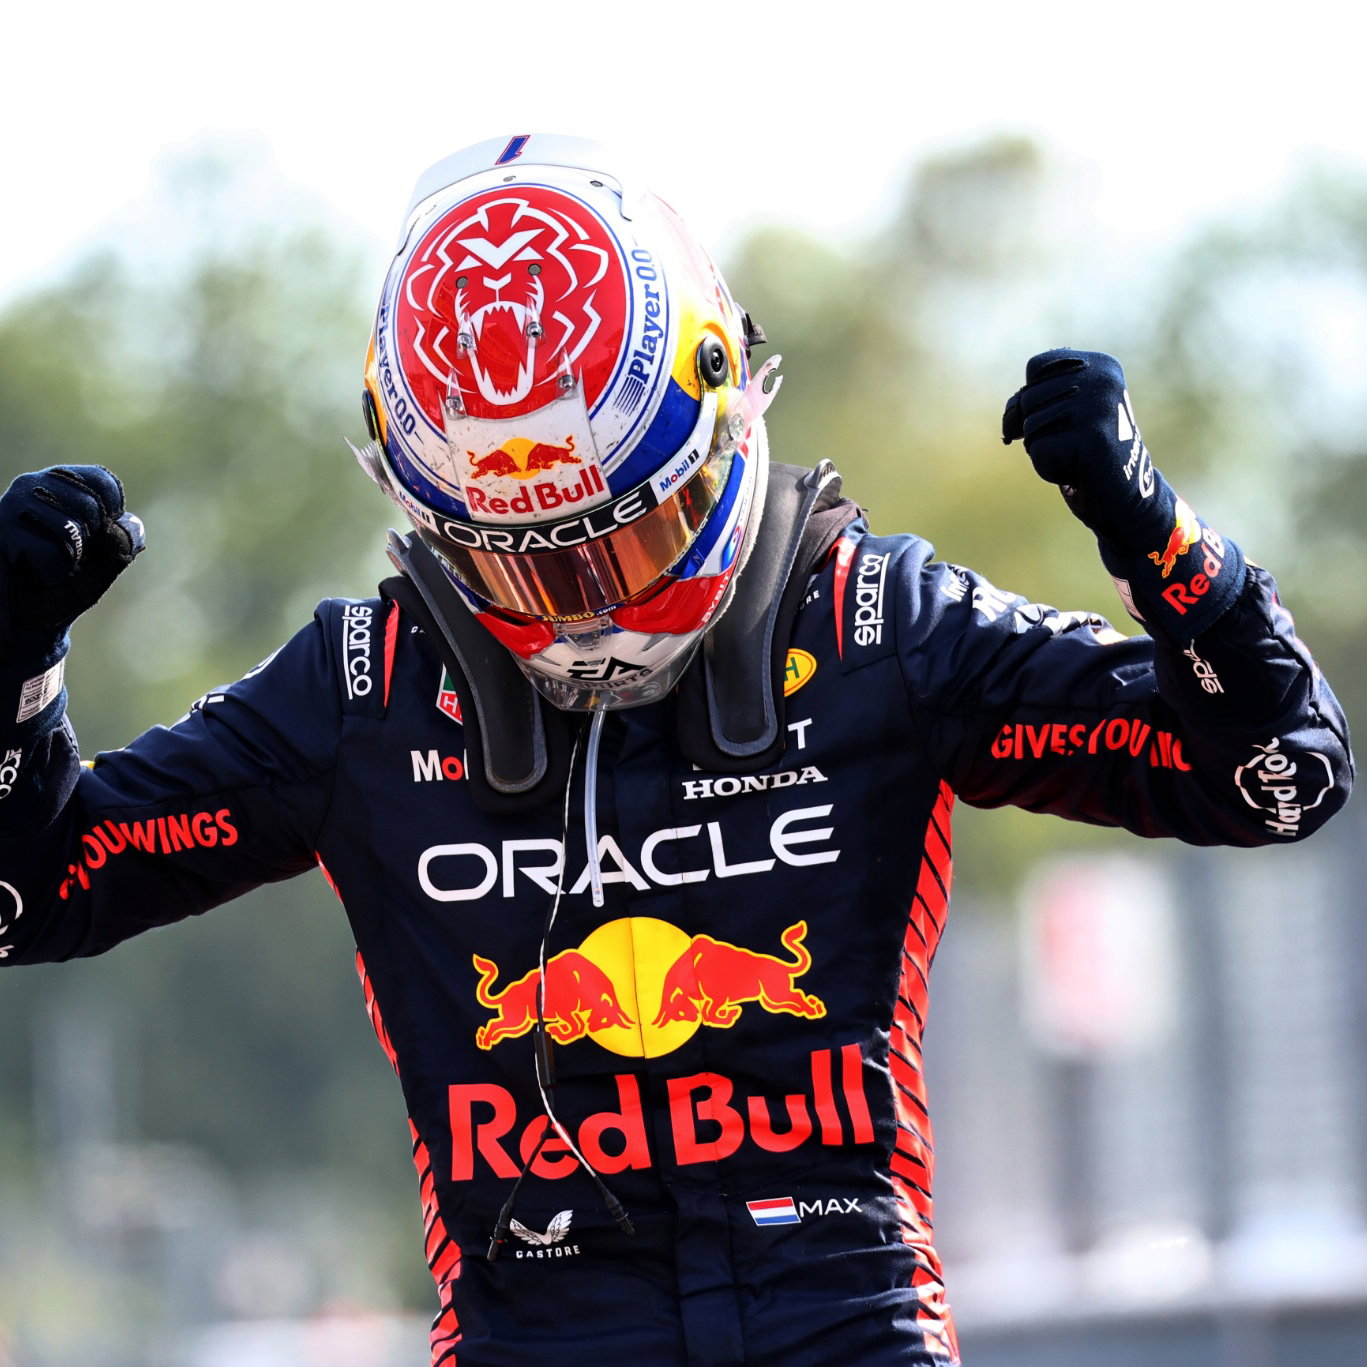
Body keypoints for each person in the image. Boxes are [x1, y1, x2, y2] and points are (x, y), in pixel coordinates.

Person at [0, 133, 1352, 1367]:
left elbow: (1278, 774)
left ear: (726, 415)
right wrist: (16, 667)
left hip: (845, 1321)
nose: (590, 606)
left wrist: (1164, 549)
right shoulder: (365, 689)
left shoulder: (879, 623)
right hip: (535, 1330)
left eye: (627, 540)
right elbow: (37, 893)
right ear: (426, 518)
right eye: (533, 566)